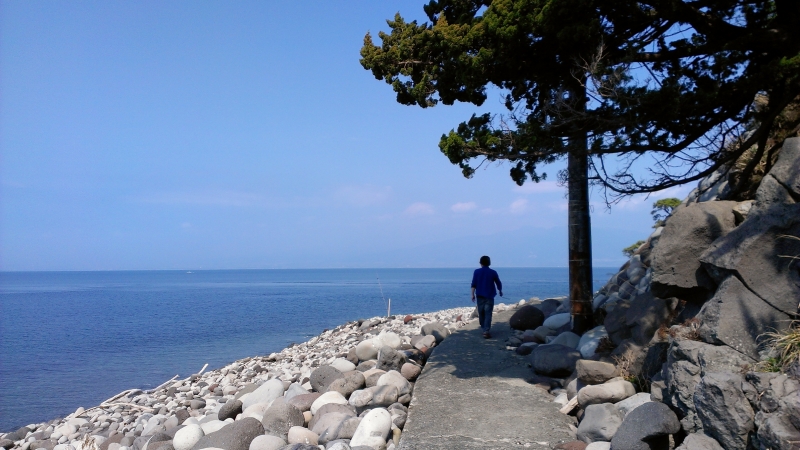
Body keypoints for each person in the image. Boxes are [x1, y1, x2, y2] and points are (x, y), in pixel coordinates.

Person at [471, 255, 502, 339]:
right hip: (490, 296)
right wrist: (500, 290)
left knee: (481, 313)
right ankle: (486, 330)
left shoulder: (476, 272)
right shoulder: (493, 272)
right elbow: (498, 282)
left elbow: (473, 284)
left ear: (480, 263)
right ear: (489, 263)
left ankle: (484, 328)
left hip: (480, 296)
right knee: (488, 313)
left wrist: (472, 294)